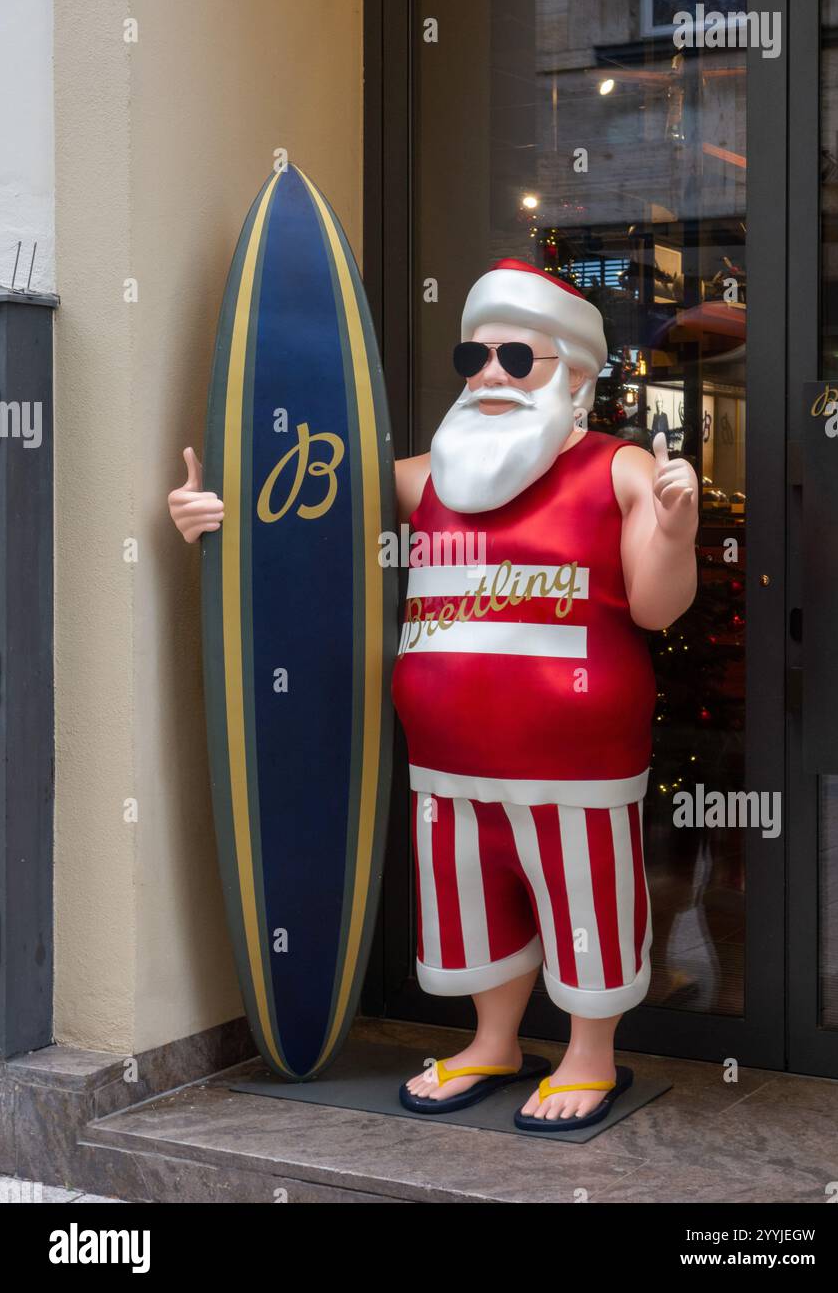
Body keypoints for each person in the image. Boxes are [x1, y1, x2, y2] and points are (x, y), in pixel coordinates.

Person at [169, 258, 698, 1131]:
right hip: (446, 762)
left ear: (574, 375)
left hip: (578, 765)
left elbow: (654, 601)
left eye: (516, 359)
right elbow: (301, 514)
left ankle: (589, 1054)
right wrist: (209, 512)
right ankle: (493, 1041)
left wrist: (676, 531)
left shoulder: (619, 469)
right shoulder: (420, 481)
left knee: (585, 903)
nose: (490, 375)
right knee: (470, 908)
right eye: (475, 358)